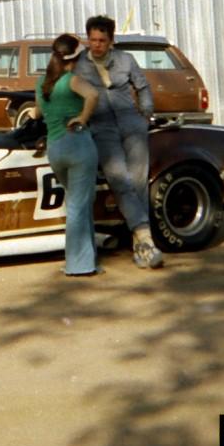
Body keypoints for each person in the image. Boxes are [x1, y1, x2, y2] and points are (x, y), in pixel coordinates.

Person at [74, 15, 164, 269]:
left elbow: (143, 87)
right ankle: (145, 235)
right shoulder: (80, 63)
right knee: (118, 178)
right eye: (92, 39)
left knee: (138, 181)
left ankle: (140, 246)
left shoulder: (126, 60)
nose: (97, 45)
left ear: (111, 41)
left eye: (102, 40)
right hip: (101, 126)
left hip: (131, 124)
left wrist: (145, 114)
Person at [34, 34, 100, 276]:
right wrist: (82, 118)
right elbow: (93, 95)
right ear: (76, 57)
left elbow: (37, 113)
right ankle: (78, 265)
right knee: (78, 207)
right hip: (78, 145)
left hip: (55, 148)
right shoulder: (72, 80)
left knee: (79, 203)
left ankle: (88, 258)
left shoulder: (42, 83)